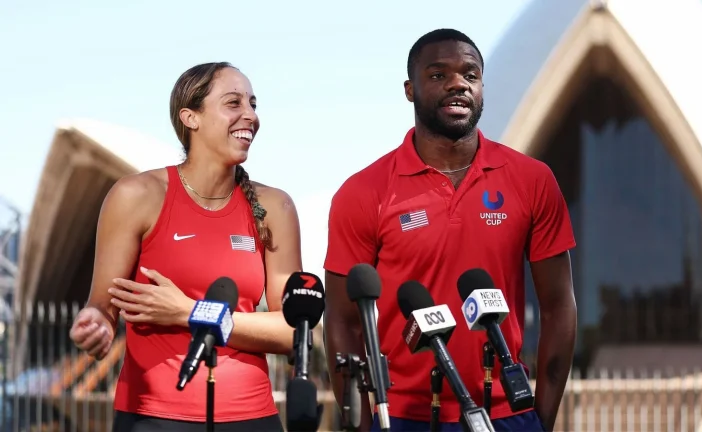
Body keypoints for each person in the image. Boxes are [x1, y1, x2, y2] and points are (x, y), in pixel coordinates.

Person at [323, 29, 577, 432]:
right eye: (439, 75)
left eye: (470, 75)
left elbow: (559, 306)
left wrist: (540, 420)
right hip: (404, 419)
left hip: (509, 416)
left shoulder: (533, 180)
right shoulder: (363, 192)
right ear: (410, 89)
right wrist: (364, 422)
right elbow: (341, 320)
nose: (459, 83)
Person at [69, 62, 301, 432]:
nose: (251, 116)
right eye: (234, 103)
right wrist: (95, 323)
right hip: (152, 416)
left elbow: (293, 330)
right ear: (190, 117)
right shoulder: (136, 196)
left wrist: (193, 312)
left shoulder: (276, 207)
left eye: (254, 104)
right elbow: (103, 306)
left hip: (251, 416)